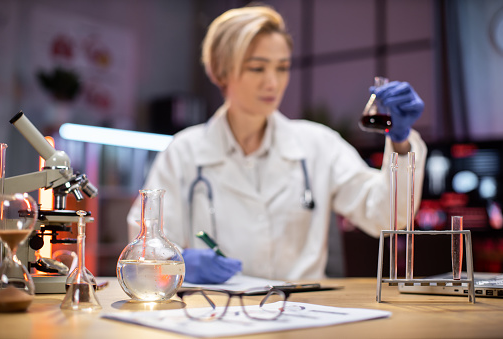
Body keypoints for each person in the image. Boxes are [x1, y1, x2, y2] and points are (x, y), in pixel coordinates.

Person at [127, 4, 427, 283]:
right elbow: (146, 246)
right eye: (258, 68)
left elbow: (387, 216)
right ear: (220, 71)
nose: (273, 82)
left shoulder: (318, 144)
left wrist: (400, 144)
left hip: (306, 313)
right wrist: (178, 262)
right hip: (217, 313)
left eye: (282, 67)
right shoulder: (184, 151)